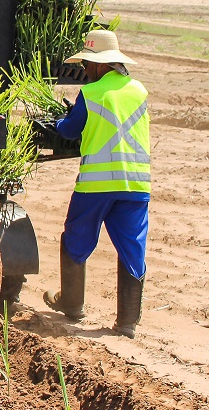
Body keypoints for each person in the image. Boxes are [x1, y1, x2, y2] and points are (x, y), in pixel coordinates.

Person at [43, 30, 149, 338]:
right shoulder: (139, 90)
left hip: (97, 184)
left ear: (102, 65)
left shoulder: (90, 94)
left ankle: (72, 305)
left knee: (77, 237)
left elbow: (70, 131)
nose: (84, 70)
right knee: (132, 246)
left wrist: (57, 124)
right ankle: (127, 321)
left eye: (88, 64)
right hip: (137, 185)